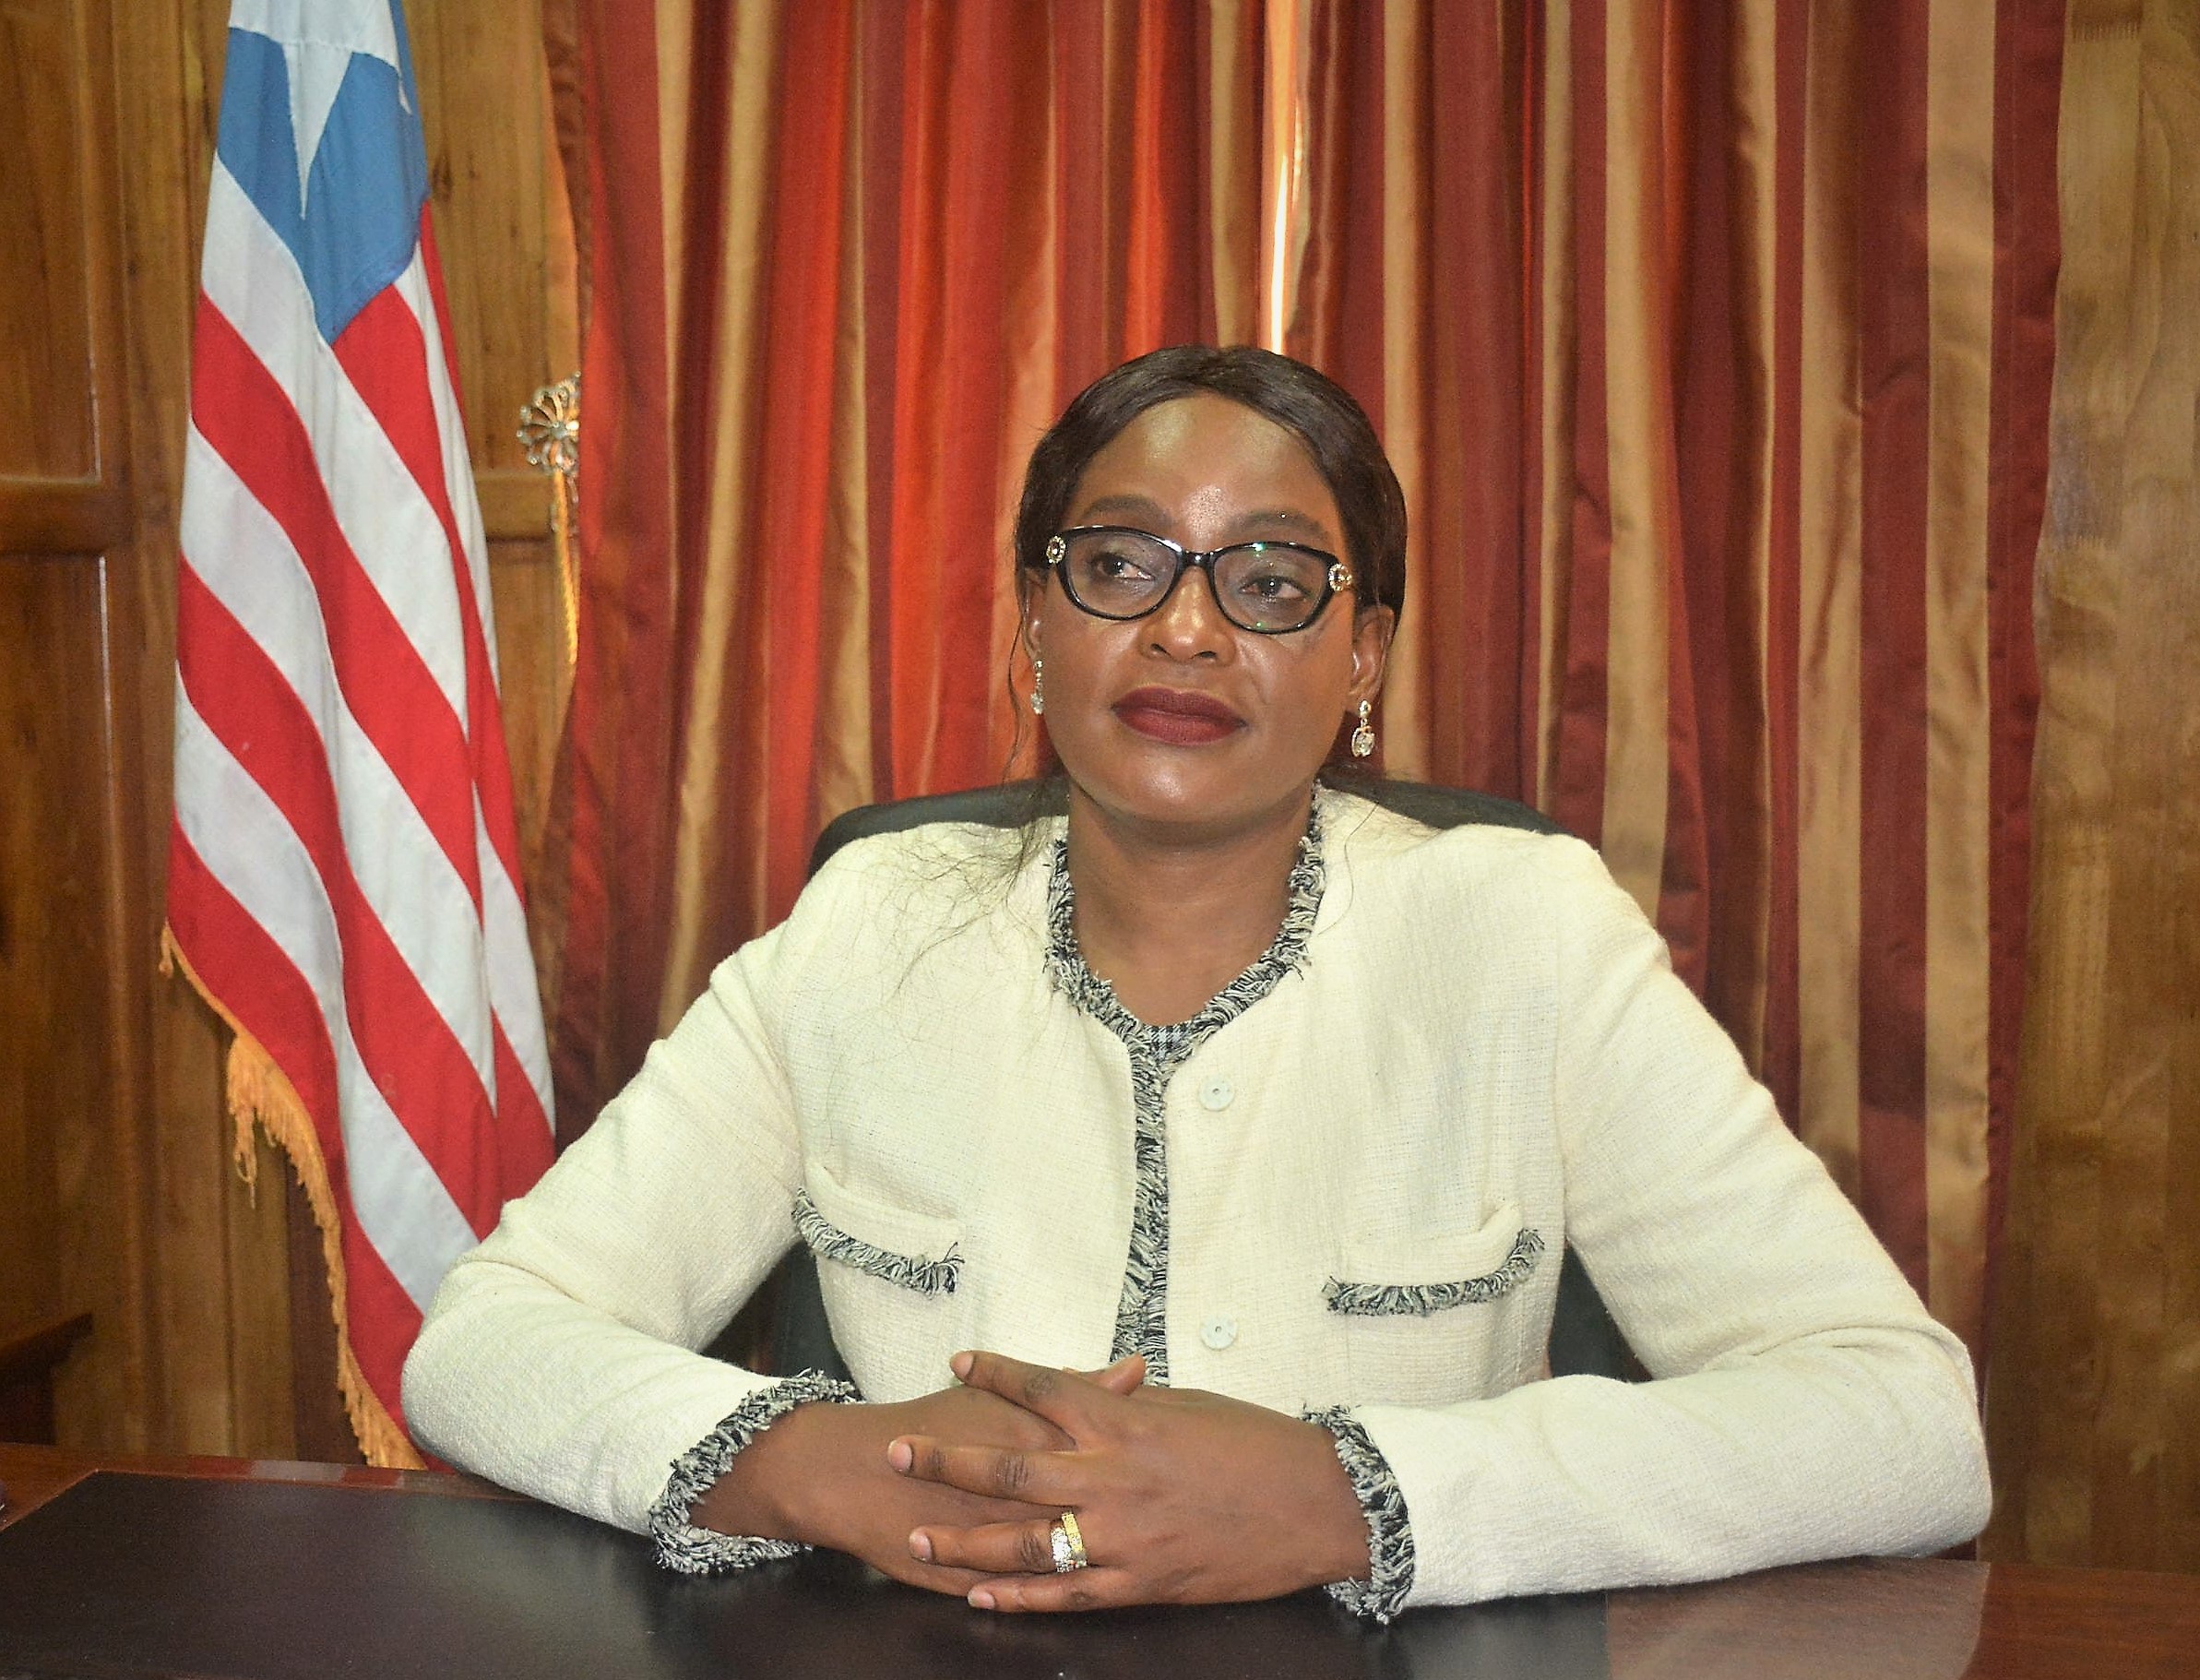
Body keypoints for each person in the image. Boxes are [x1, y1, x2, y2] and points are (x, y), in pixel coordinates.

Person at [402, 346, 1991, 1619]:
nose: (1183, 629)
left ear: (1362, 656)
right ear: (1035, 624)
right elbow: (486, 1338)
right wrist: (809, 1463)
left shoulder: (1522, 932)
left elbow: (1901, 1426)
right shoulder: (868, 927)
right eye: (1118, 563)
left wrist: (1349, 1493)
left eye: (1271, 582)